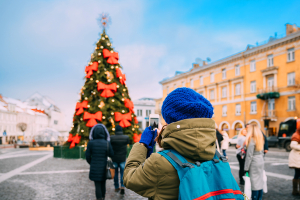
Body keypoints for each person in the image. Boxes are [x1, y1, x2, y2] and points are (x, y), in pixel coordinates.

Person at [123, 88, 216, 199]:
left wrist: (142, 144)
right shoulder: (215, 155)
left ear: (170, 120)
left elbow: (130, 178)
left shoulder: (160, 162)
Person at [85, 124, 114, 200]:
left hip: (94, 166)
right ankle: (103, 198)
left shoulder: (91, 143)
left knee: (97, 185)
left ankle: (99, 198)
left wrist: (91, 162)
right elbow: (112, 154)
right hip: (104, 167)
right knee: (103, 184)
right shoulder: (107, 143)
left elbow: (87, 156)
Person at [244, 124, 265, 200]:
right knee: (259, 182)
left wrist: (246, 168)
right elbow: (262, 152)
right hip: (260, 161)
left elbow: (249, 155)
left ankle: (255, 198)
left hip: (254, 162)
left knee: (254, 183)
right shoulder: (260, 139)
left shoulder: (252, 139)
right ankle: (260, 197)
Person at [110, 125, 130, 195]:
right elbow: (128, 142)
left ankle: (116, 186)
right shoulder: (126, 137)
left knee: (115, 173)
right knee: (122, 172)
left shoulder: (111, 138)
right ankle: (122, 186)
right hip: (122, 158)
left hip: (114, 158)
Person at [288, 123, 300, 196]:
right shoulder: (296, 135)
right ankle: (295, 190)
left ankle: (296, 191)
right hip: (297, 158)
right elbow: (292, 145)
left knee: (298, 174)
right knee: (297, 174)